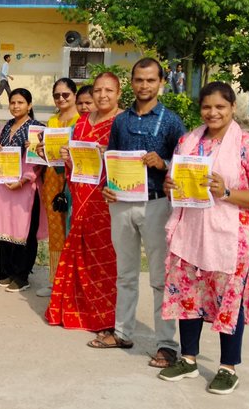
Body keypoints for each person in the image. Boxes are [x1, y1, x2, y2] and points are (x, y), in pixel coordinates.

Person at [157, 82, 249, 395]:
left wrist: (226, 192)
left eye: (220, 107)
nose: (213, 113)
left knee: (229, 298)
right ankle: (187, 358)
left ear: (232, 107)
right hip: (191, 232)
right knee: (188, 296)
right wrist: (171, 186)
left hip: (230, 236)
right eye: (207, 107)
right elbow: (177, 176)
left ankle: (228, 367)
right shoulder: (188, 141)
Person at [100, 58, 186, 369]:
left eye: (150, 80)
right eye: (139, 80)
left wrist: (163, 164)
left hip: (157, 204)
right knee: (125, 273)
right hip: (122, 203)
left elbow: (186, 165)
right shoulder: (121, 121)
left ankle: (166, 344)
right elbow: (113, 158)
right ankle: (123, 332)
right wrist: (108, 188)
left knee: (161, 278)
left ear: (161, 82)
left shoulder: (172, 121)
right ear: (132, 82)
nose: (144, 85)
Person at [45, 71, 121, 337]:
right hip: (80, 193)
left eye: (108, 91)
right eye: (98, 90)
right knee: (78, 252)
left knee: (104, 256)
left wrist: (108, 154)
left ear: (118, 93)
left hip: (107, 197)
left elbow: (128, 162)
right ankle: (74, 309)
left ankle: (105, 316)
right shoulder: (82, 123)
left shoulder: (121, 123)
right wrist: (68, 156)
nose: (102, 95)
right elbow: (75, 163)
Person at [0, 88, 48, 293]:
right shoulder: (6, 127)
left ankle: (21, 275)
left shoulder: (37, 128)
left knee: (25, 231)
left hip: (26, 187)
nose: (16, 106)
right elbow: (1, 155)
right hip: (5, 186)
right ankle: (5, 271)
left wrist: (24, 180)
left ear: (29, 106)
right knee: (6, 227)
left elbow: (40, 160)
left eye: (20, 103)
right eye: (13, 102)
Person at [34, 78, 80, 297]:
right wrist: (42, 151)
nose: (61, 99)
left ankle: (71, 281)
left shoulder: (81, 121)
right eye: (57, 95)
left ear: (75, 95)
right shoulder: (52, 121)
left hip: (72, 181)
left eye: (65, 95)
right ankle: (54, 280)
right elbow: (47, 155)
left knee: (72, 229)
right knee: (55, 230)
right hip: (52, 178)